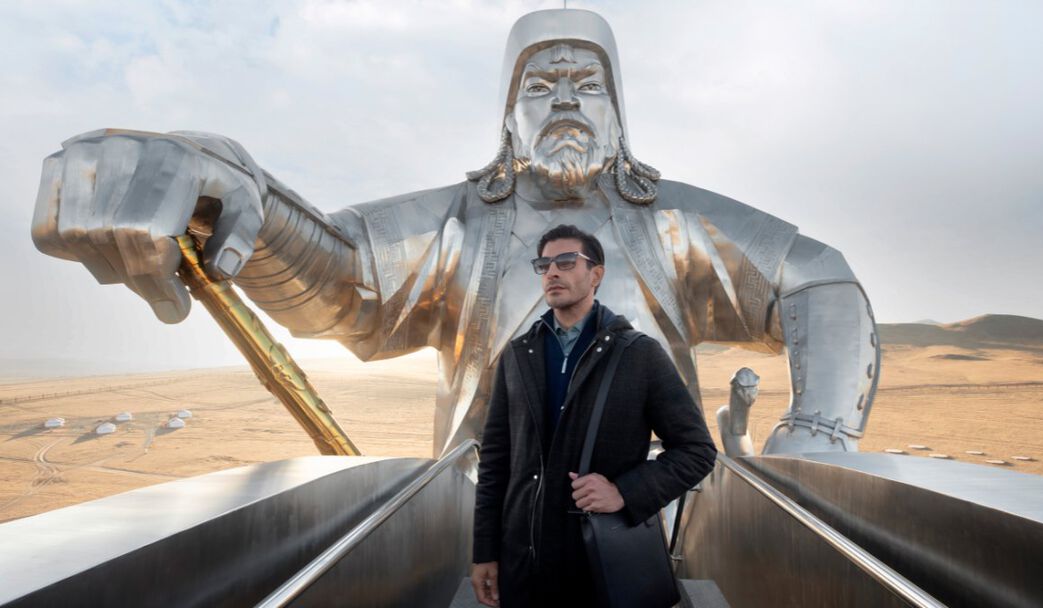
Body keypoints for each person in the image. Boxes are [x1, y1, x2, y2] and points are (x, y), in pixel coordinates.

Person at [31, 9, 879, 461]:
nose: (566, 99)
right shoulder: (462, 225)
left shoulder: (674, 222)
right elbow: (342, 284)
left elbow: (817, 277)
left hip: (657, 528)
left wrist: (822, 429)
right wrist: (238, 193)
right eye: (541, 85)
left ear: (620, 110)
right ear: (509, 116)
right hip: (492, 531)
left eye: (587, 83)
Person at [470, 224, 716, 607]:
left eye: (567, 262)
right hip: (524, 562)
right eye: (544, 265)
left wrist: (624, 492)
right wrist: (485, 551)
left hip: (599, 565)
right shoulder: (517, 355)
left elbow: (697, 450)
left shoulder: (639, 354)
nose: (552, 272)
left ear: (596, 274)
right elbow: (495, 461)